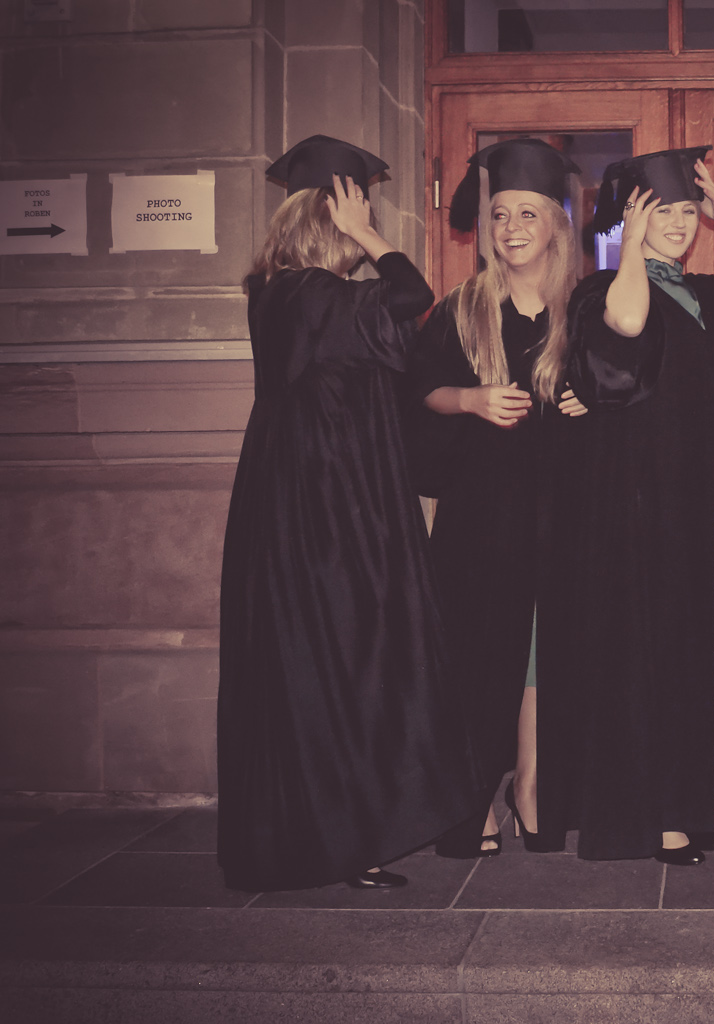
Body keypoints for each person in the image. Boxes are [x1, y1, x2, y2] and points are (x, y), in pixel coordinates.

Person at [217, 135, 483, 892]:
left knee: (315, 662)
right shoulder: (317, 295)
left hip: (296, 500)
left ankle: (328, 834)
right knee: (348, 655)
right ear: (331, 219)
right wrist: (372, 238)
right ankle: (345, 839)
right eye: (358, 210)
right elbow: (411, 297)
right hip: (331, 506)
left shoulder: (278, 294)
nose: (368, 224)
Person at [536, 146, 714, 864]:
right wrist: (633, 247)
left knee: (690, 653)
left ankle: (686, 805)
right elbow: (628, 326)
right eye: (660, 212)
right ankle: (650, 818)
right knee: (643, 649)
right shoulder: (599, 290)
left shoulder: (712, 295)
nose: (678, 223)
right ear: (633, 218)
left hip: (701, 496)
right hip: (635, 500)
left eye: (685, 211)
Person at [409, 138, 588, 858]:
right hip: (483, 514)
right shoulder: (463, 307)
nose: (511, 227)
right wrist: (470, 399)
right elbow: (417, 393)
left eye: (527, 213)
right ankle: (472, 794)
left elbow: (628, 392)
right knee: (479, 656)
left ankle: (534, 785)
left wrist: (591, 402)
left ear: (556, 224)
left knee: (547, 654)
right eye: (501, 214)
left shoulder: (585, 308)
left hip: (565, 509)